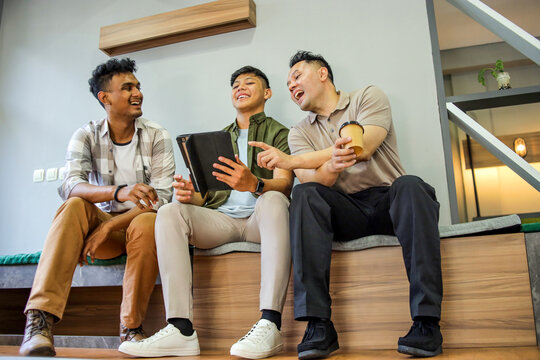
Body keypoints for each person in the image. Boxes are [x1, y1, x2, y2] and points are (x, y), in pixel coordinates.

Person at [251, 51, 443, 359]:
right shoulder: (299, 132)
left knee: (412, 186)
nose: (291, 86)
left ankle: (426, 323)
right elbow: (317, 182)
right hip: (344, 210)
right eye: (288, 84)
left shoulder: (368, 97)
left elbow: (362, 147)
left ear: (323, 74)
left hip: (389, 202)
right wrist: (333, 163)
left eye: (297, 76)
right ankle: (318, 326)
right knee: (304, 195)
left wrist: (291, 160)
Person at [118, 66, 294, 359]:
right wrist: (189, 195)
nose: (240, 87)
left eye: (249, 83)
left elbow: (285, 185)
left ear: (267, 93)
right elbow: (204, 197)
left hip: (261, 220)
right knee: (171, 211)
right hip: (221, 220)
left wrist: (253, 183)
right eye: (236, 84)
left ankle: (270, 323)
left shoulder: (280, 133)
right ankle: (180, 329)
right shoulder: (216, 138)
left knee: (275, 200)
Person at [19, 58, 175, 357]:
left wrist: (109, 226)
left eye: (138, 87)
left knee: (148, 221)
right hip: (102, 226)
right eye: (127, 87)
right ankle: (39, 322)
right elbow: (70, 186)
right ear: (105, 98)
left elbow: (162, 199)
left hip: (136, 225)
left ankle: (131, 328)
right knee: (74, 205)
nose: (137, 93)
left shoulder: (157, 134)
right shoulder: (86, 134)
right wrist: (118, 192)